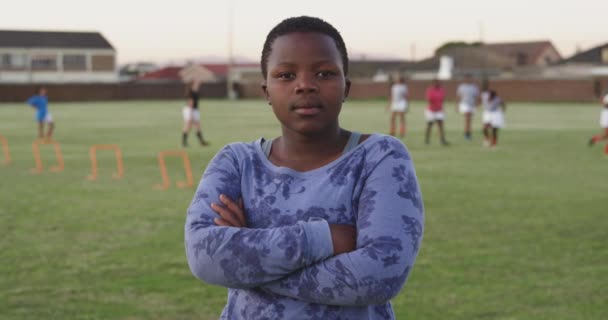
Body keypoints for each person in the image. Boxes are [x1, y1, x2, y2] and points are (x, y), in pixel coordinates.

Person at [185, 16, 424, 320]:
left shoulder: (378, 157)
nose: (305, 85)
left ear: (345, 87)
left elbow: (380, 275)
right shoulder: (237, 162)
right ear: (266, 91)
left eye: (324, 73)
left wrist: (247, 259)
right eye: (286, 75)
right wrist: (323, 239)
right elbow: (204, 257)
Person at [182, 80, 209, 147]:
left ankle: (201, 141)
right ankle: (184, 142)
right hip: (190, 110)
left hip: (194, 110)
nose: (198, 84)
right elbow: (190, 102)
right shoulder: (191, 92)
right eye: (196, 83)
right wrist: (191, 113)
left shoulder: (195, 92)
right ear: (193, 84)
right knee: (188, 126)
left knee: (197, 126)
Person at [424, 79, 449, 145]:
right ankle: (427, 139)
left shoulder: (441, 90)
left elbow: (442, 99)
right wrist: (434, 106)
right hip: (431, 110)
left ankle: (442, 139)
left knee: (440, 125)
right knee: (429, 125)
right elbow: (429, 99)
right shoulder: (430, 90)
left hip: (439, 110)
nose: (437, 84)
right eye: (435, 83)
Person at [456, 74, 480, 140]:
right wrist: (457, 105)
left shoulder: (474, 87)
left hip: (471, 105)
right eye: (467, 78)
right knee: (467, 119)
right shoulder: (462, 87)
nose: (468, 80)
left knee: (469, 120)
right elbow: (459, 96)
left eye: (469, 78)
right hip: (464, 104)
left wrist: (477, 104)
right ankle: (467, 134)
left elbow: (477, 96)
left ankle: (468, 133)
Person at [588, 90, 608, 154]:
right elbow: (605, 105)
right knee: (606, 135)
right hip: (606, 116)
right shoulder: (607, 97)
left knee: (605, 136)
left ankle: (594, 139)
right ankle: (606, 151)